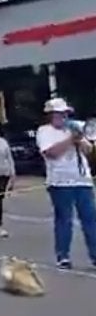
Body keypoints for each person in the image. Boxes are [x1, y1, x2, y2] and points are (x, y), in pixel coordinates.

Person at [36, 97, 96, 269]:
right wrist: (70, 140)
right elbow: (51, 153)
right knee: (64, 219)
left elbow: (89, 151)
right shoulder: (44, 131)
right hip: (60, 182)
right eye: (59, 114)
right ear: (50, 115)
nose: (63, 117)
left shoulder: (74, 128)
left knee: (90, 219)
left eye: (65, 113)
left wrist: (80, 138)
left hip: (82, 180)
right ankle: (63, 255)